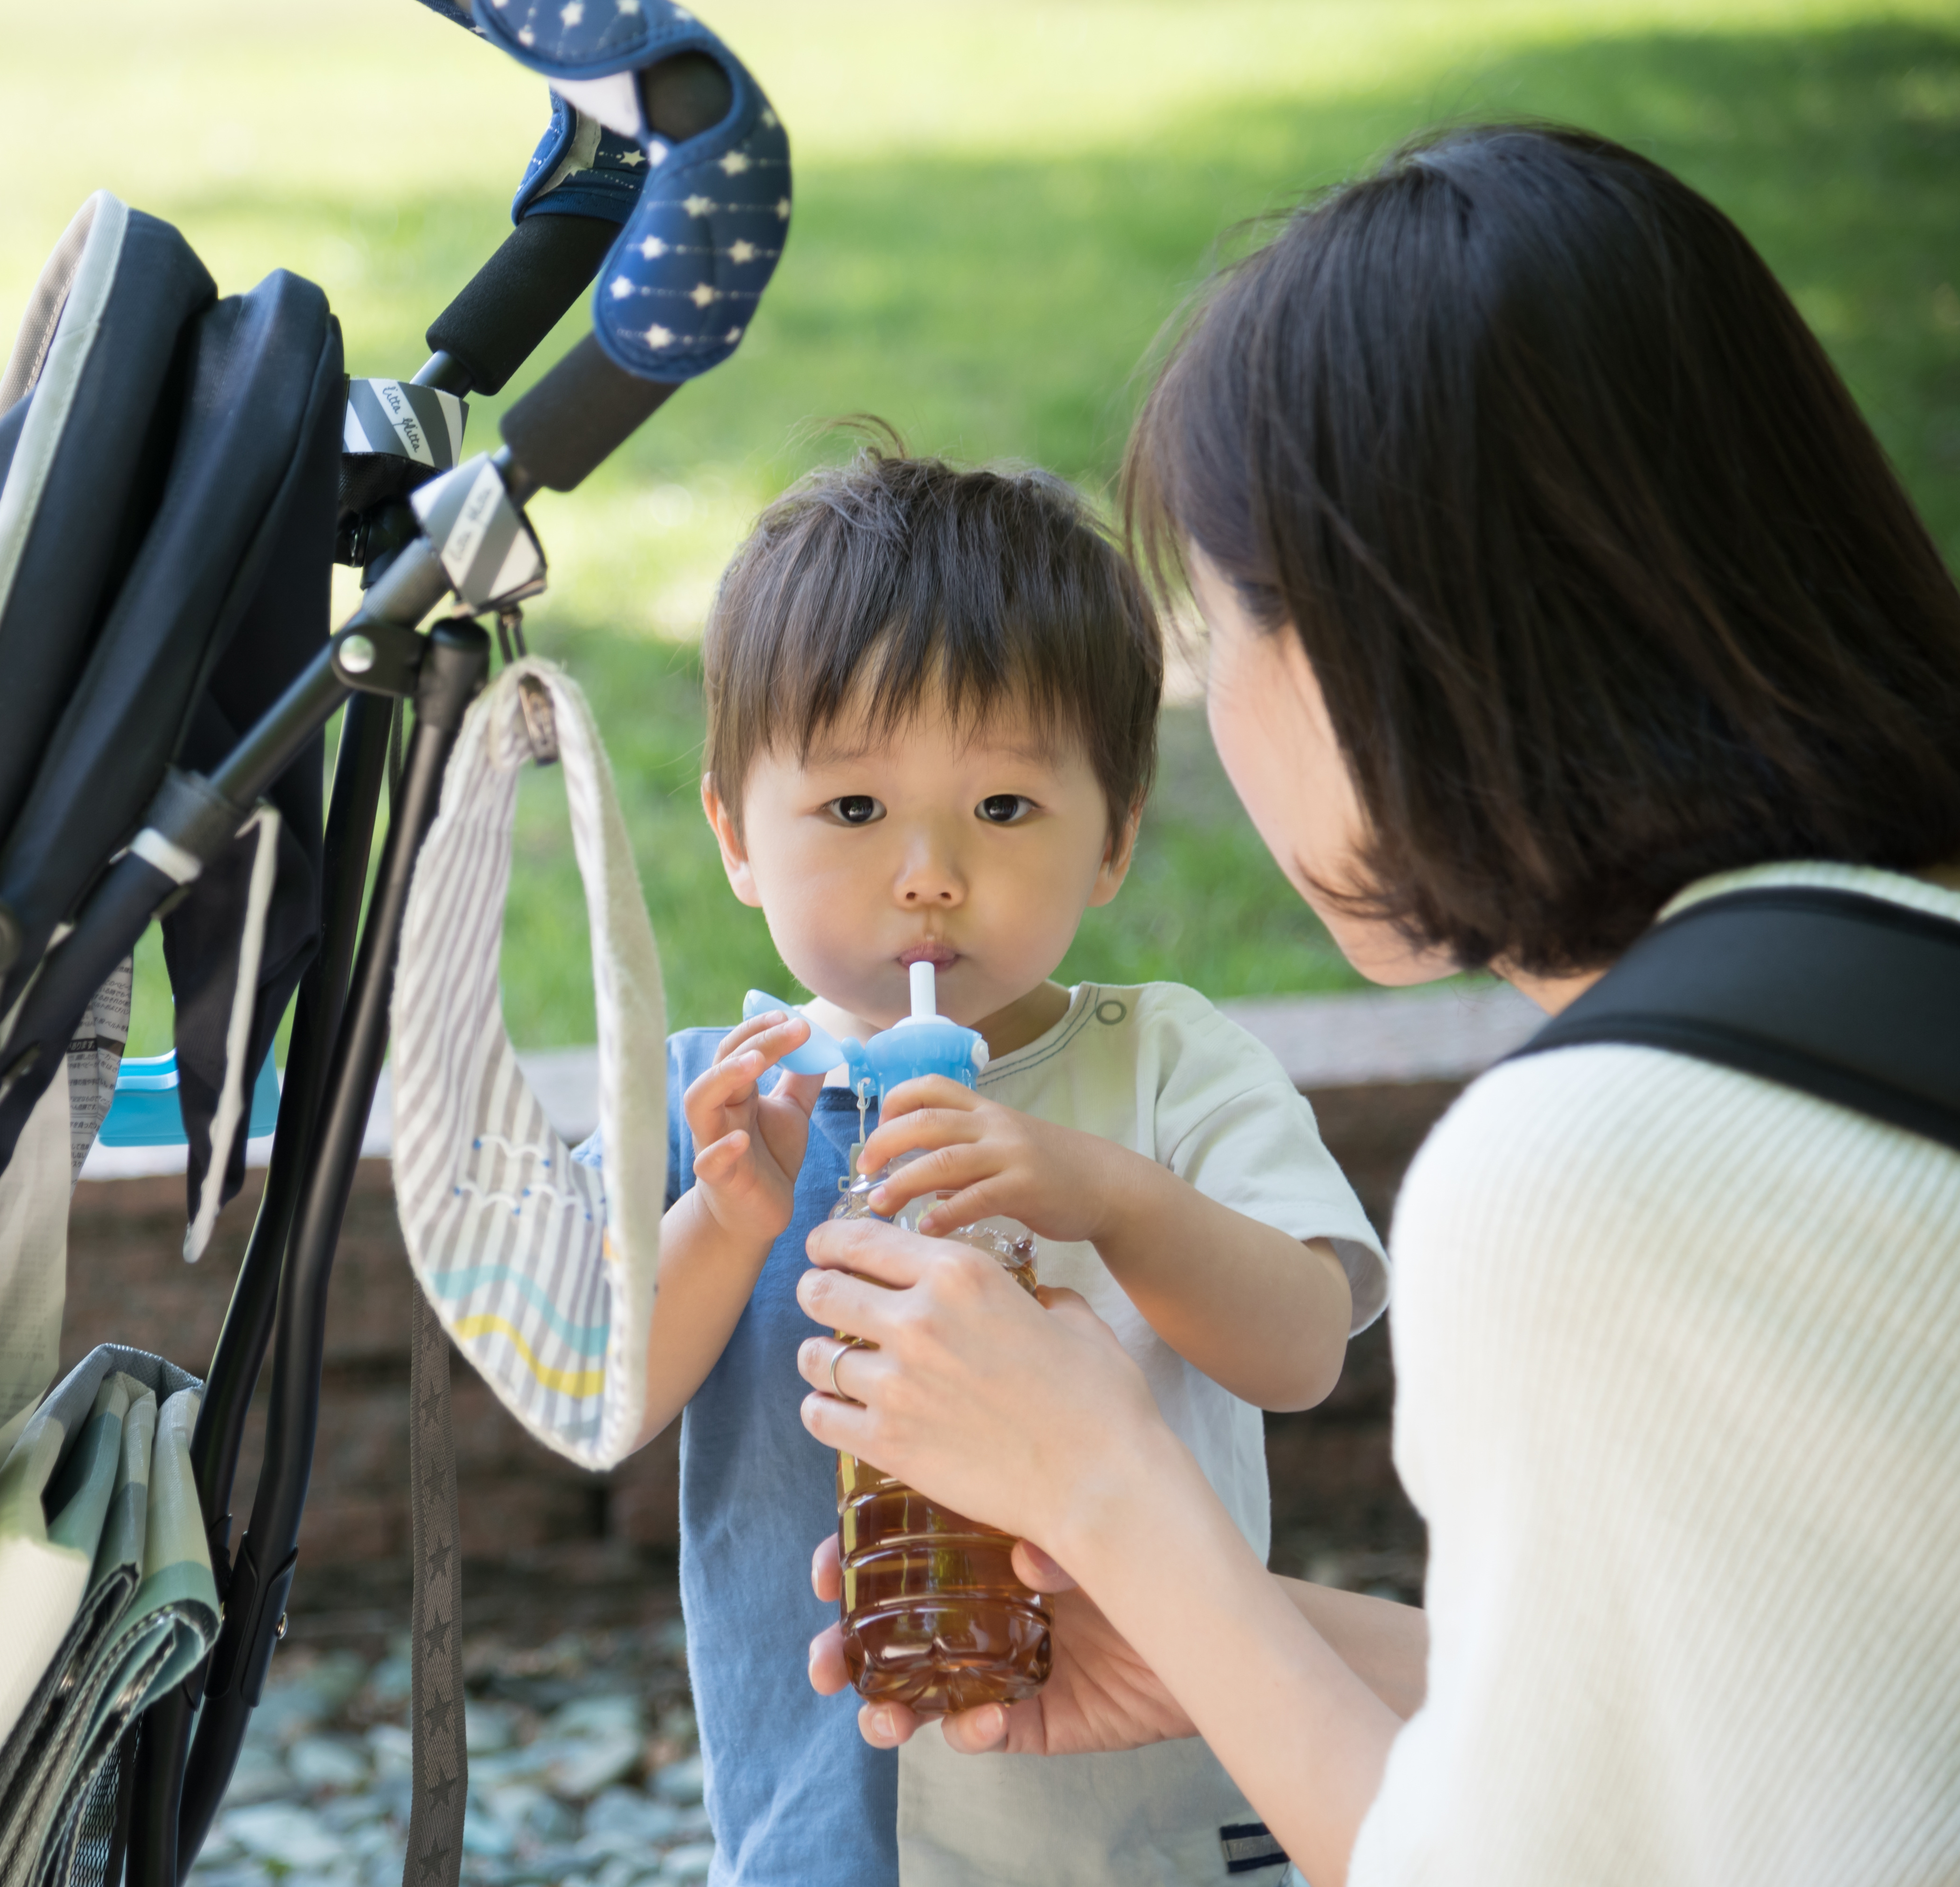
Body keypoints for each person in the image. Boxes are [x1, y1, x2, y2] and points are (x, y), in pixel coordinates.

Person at [791, 125, 1960, 1886]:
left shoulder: (1597, 1166)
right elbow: (1764, 1738)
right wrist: (1226, 1630)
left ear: (1364, 642)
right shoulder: (1887, 978)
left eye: (1220, 629)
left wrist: (1110, 1489)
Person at [625, 437, 1387, 1887]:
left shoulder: (1166, 1065)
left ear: (1114, 842)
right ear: (734, 834)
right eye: (853, 810)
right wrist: (727, 1225)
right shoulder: (722, 1103)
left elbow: (1300, 1349)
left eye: (1006, 809)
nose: (929, 872)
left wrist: (1105, 1193)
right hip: (827, 1831)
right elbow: (599, 1401)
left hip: (1156, 1808)